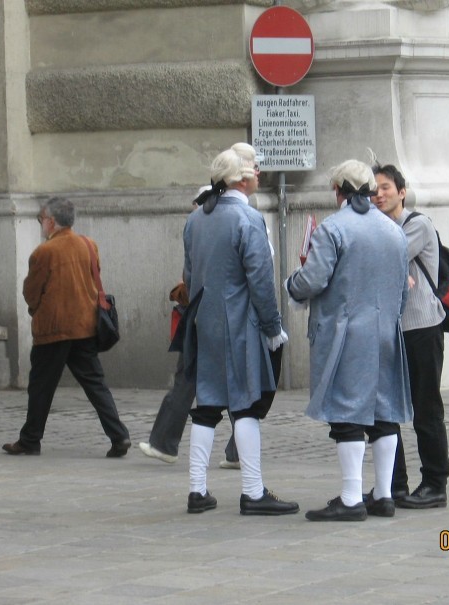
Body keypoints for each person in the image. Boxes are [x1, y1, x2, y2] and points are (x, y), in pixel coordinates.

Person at [285, 159, 412, 521]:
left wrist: (292, 283)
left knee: (347, 413)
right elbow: (402, 289)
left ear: (337, 189)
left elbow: (312, 280)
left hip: (345, 333)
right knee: (384, 412)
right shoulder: (393, 230)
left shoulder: (332, 228)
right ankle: (385, 495)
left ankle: (352, 497)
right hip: (387, 329)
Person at [181, 147, 298, 516]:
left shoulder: (196, 219)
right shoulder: (248, 218)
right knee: (245, 405)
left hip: (205, 321)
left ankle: (197, 490)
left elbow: (188, 276)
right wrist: (273, 327)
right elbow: (261, 281)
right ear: (243, 180)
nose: (259, 175)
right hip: (240, 322)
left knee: (208, 405)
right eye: (255, 171)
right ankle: (252, 490)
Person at [2, 196, 131, 457]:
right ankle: (119, 435)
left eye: (41, 219)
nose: (41, 224)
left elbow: (31, 291)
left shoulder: (44, 252)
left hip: (53, 329)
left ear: (50, 221)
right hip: (85, 325)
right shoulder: (88, 244)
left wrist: (36, 309)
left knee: (41, 386)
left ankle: (30, 440)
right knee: (95, 384)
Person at [138, 187, 239, 469]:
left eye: (199, 204)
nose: (197, 209)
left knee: (193, 379)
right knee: (227, 382)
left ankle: (165, 443)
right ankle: (236, 449)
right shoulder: (223, 225)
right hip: (218, 318)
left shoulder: (203, 228)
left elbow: (193, 276)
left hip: (206, 318)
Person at [372, 163, 449, 508]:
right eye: (373, 189)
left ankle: (435, 483)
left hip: (421, 329)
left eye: (386, 187)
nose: (379, 194)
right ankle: (395, 484)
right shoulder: (379, 229)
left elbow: (387, 256)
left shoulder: (416, 225)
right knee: (386, 408)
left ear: (401, 192)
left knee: (425, 408)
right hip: (391, 329)